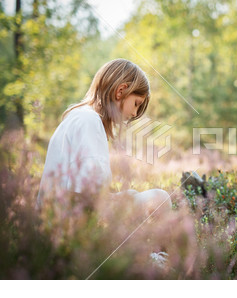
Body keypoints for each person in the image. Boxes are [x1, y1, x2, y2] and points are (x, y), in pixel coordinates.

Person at [36, 58, 172, 217]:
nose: (135, 113)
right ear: (120, 91)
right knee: (160, 198)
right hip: (67, 226)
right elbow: (88, 199)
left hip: (59, 219)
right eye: (136, 103)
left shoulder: (80, 118)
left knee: (134, 194)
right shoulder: (90, 122)